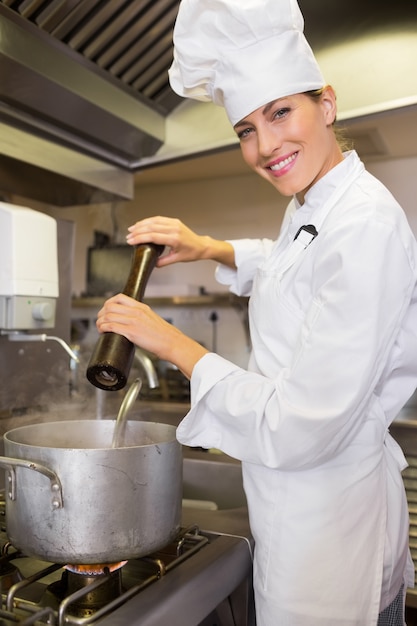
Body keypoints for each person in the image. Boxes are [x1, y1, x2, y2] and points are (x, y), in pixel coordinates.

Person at [95, 0, 417, 624]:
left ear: (326, 103)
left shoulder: (366, 223)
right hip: (295, 504)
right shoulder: (318, 202)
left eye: (280, 113)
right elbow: (293, 263)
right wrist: (207, 247)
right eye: (245, 129)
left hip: (330, 528)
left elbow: (300, 422)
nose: (266, 146)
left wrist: (173, 345)